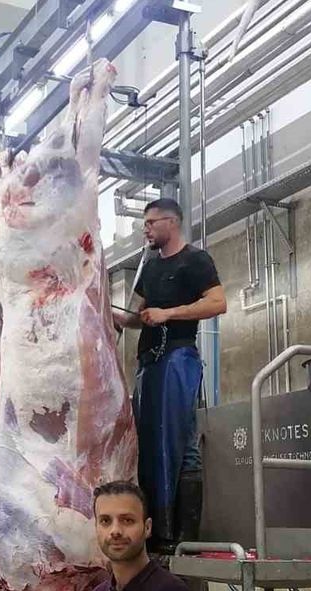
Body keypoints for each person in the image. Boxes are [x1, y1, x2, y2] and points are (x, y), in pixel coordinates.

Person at [113, 197, 227, 551]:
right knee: (149, 443)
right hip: (149, 363)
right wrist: (109, 312)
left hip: (178, 358)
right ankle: (156, 529)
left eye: (151, 222)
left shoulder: (195, 260)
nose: (145, 229)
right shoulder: (149, 268)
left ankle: (183, 534)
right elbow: (134, 317)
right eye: (144, 223)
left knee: (180, 442)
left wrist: (169, 313)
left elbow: (218, 302)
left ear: (171, 222)